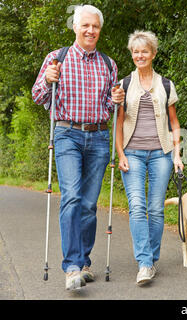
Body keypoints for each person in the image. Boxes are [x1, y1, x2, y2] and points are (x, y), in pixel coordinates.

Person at [31, 5, 124, 290]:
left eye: (95, 26)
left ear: (100, 30)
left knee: (88, 205)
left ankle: (84, 262)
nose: (90, 30)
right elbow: (37, 96)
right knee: (71, 197)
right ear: (75, 27)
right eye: (85, 25)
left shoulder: (108, 64)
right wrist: (47, 81)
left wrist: (118, 98)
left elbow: (110, 108)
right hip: (67, 134)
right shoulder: (56, 58)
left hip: (98, 137)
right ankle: (71, 266)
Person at [115, 30, 183, 286]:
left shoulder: (166, 84)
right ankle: (144, 262)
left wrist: (177, 154)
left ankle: (151, 259)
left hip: (161, 154)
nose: (139, 55)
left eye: (144, 51)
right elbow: (119, 124)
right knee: (137, 206)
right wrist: (120, 153)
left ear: (153, 54)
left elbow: (174, 123)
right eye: (135, 51)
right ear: (132, 55)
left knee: (155, 210)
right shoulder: (123, 85)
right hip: (131, 152)